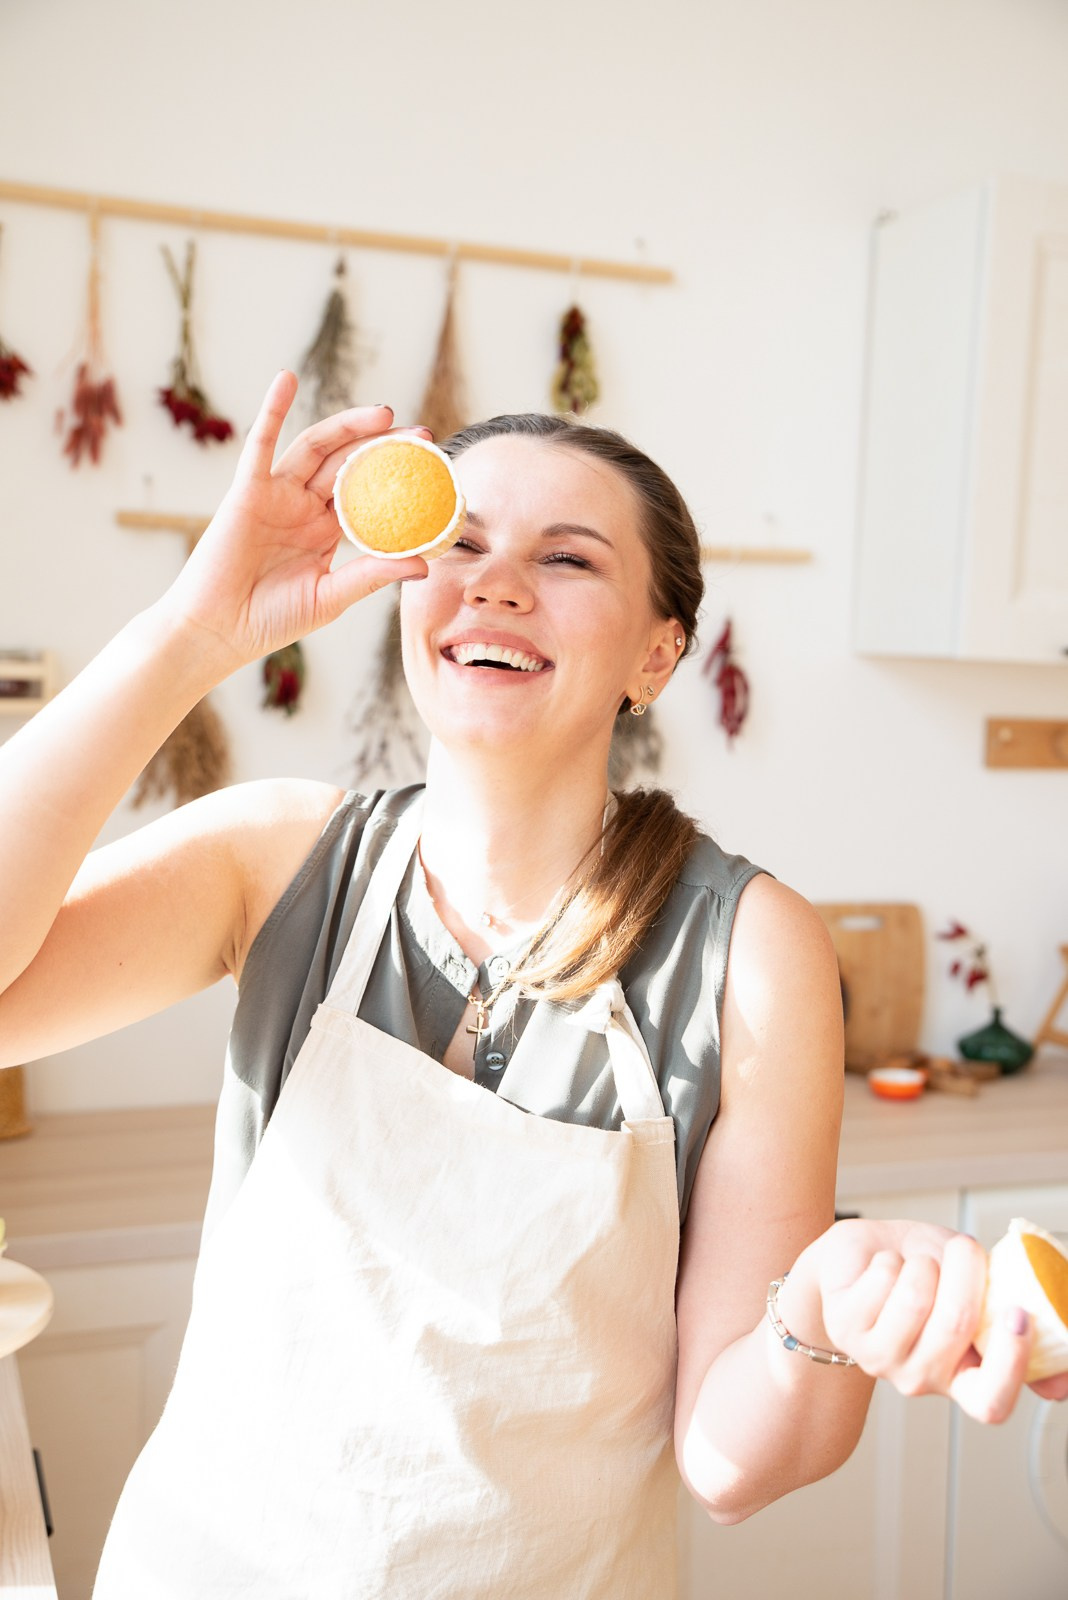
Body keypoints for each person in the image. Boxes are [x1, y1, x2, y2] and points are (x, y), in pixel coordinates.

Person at [1, 371, 1064, 1598]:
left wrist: (814, 1316)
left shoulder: (748, 947)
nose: (494, 581)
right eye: (457, 543)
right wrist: (193, 632)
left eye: (567, 559)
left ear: (659, 654)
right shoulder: (282, 860)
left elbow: (732, 1464)